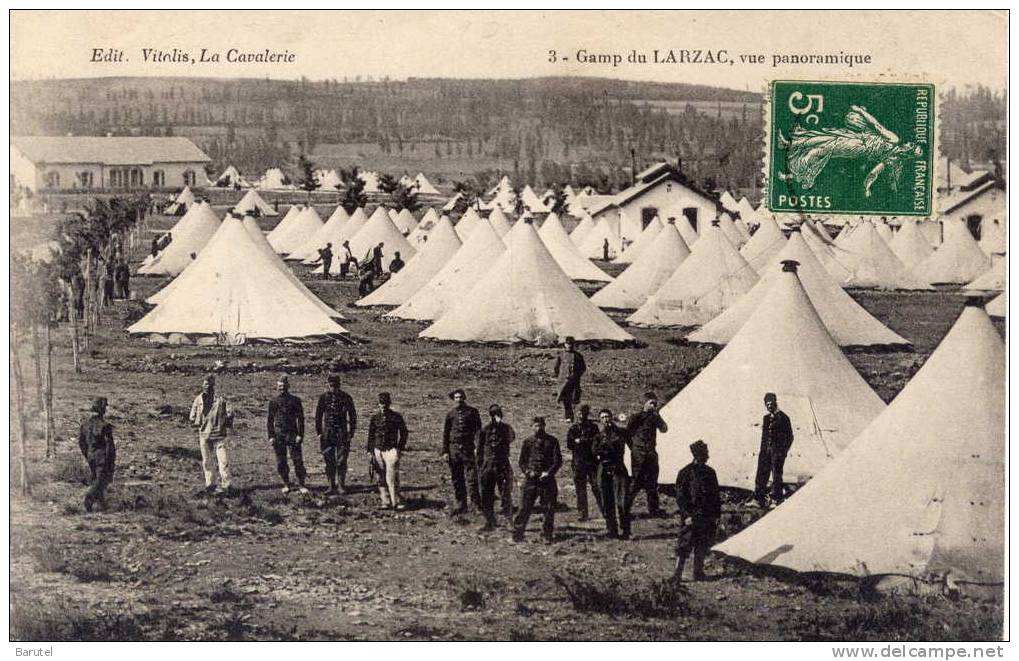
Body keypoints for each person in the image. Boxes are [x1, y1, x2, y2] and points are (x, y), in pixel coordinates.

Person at [674, 440, 721, 581]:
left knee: (702, 544)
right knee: (684, 544)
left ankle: (698, 572)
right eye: (705, 453)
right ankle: (677, 574)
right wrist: (686, 515)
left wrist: (717, 515)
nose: (707, 456)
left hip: (706, 516)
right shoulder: (685, 473)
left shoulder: (710, 473)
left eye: (707, 453)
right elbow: (680, 497)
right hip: (691, 516)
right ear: (697, 455)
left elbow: (715, 496)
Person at [511, 417, 562, 544]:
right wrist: (528, 472)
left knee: (548, 508)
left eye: (540, 425)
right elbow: (522, 462)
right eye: (535, 425)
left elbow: (557, 461)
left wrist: (548, 473)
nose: (538, 428)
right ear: (531, 427)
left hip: (547, 480)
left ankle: (546, 535)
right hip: (531, 480)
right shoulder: (527, 442)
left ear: (544, 426)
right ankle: (517, 534)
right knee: (524, 507)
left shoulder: (552, 441)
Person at [624, 391, 668, 517]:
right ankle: (624, 510)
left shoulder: (655, 417)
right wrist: (633, 448)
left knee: (652, 483)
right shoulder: (636, 417)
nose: (654, 405)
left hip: (651, 454)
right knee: (636, 482)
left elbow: (664, 429)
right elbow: (627, 434)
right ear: (645, 403)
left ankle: (653, 510)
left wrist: (658, 415)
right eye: (651, 403)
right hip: (639, 454)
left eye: (655, 403)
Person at [189, 375, 233, 495]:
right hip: (204, 434)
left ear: (213, 386)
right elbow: (192, 416)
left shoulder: (221, 400)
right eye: (204, 385)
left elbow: (230, 413)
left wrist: (226, 421)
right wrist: (197, 421)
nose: (206, 387)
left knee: (223, 461)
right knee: (207, 461)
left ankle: (227, 486)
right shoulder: (199, 400)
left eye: (208, 384)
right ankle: (210, 485)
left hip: (219, 435)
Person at [441, 388, 483, 515]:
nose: (458, 400)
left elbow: (478, 431)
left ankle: (476, 504)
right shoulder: (450, 414)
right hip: (454, 450)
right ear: (454, 400)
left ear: (464, 398)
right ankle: (461, 504)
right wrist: (445, 451)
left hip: (468, 449)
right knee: (457, 478)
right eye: (456, 398)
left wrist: (478, 447)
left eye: (460, 397)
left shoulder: (472, 412)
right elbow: (446, 434)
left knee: (472, 478)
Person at [314, 374, 357, 495]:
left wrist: (351, 432)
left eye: (336, 386)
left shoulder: (346, 397)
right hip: (327, 433)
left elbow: (353, 416)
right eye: (331, 386)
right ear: (328, 385)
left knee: (341, 460)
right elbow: (318, 416)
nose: (333, 388)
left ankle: (341, 486)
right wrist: (319, 432)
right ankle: (331, 485)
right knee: (329, 459)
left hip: (342, 433)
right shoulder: (323, 398)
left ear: (339, 385)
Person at [592, 408, 631, 539]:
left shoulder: (620, 433)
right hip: (603, 469)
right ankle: (612, 530)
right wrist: (603, 452)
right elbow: (594, 451)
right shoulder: (598, 436)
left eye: (607, 417)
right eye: (602, 418)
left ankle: (625, 530)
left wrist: (605, 450)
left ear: (611, 417)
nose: (605, 420)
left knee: (622, 501)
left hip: (618, 468)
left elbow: (618, 447)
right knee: (606, 500)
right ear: (600, 420)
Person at [366, 392, 409, 510]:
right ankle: (385, 500)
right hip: (378, 450)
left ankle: (396, 501)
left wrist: (399, 448)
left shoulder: (396, 417)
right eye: (381, 403)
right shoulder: (375, 418)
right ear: (378, 404)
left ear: (389, 404)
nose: (383, 406)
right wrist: (370, 452)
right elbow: (371, 436)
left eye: (385, 404)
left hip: (391, 450)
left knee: (393, 476)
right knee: (380, 475)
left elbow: (404, 433)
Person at [267, 375, 308, 494]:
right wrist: (271, 436)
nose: (282, 388)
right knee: (281, 461)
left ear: (288, 386)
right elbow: (270, 421)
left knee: (297, 460)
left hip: (293, 434)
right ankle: (286, 483)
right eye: (280, 386)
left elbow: (301, 419)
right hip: (279, 434)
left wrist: (300, 434)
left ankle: (301, 484)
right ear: (277, 387)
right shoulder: (273, 401)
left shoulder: (295, 400)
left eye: (284, 386)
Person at [478, 404, 515, 531]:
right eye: (494, 415)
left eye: (498, 414)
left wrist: (500, 426)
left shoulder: (506, 429)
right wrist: (480, 466)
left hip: (502, 465)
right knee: (487, 495)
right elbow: (480, 449)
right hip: (488, 465)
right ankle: (489, 521)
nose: (496, 417)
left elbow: (511, 438)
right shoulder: (485, 429)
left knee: (505, 494)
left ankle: (509, 521)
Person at [754, 392, 794, 508]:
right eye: (767, 404)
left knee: (776, 475)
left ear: (775, 402)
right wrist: (762, 450)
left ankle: (776, 499)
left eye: (771, 404)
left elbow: (790, 437)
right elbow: (764, 436)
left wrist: (783, 452)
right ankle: (759, 499)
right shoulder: (766, 418)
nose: (769, 406)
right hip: (765, 451)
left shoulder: (784, 418)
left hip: (777, 452)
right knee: (761, 473)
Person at [78, 397, 115, 512]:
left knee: (97, 479)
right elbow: (110, 445)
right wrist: (110, 460)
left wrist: (87, 454)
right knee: (101, 480)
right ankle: (89, 498)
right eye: (104, 407)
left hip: (90, 455)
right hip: (101, 456)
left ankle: (102, 505)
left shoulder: (85, 424)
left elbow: (81, 442)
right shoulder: (105, 426)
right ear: (102, 409)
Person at [566, 404, 602, 521]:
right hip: (578, 462)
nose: (581, 415)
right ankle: (582, 514)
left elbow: (596, 441)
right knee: (580, 489)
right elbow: (569, 444)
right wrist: (580, 442)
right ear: (577, 414)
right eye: (579, 413)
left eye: (584, 413)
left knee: (597, 487)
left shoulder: (593, 427)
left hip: (592, 462)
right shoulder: (573, 428)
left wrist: (581, 441)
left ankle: (605, 511)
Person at [553, 336, 586, 423]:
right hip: (563, 381)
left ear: (574, 345)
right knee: (565, 399)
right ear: (565, 344)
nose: (569, 346)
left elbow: (583, 368)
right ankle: (568, 416)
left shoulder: (578, 356)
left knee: (573, 399)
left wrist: (576, 376)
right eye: (568, 344)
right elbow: (556, 367)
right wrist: (560, 377)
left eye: (571, 344)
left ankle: (574, 416)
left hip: (573, 382)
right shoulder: (561, 355)